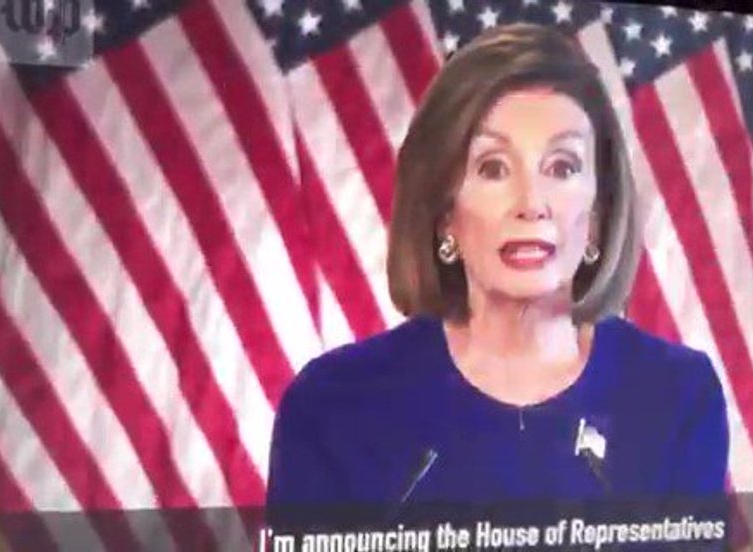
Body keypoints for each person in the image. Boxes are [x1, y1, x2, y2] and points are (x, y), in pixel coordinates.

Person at [266, 22, 728, 523]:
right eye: (493, 168)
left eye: (562, 167)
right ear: (445, 212)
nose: (531, 204)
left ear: (598, 212)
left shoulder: (677, 396)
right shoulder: (334, 408)